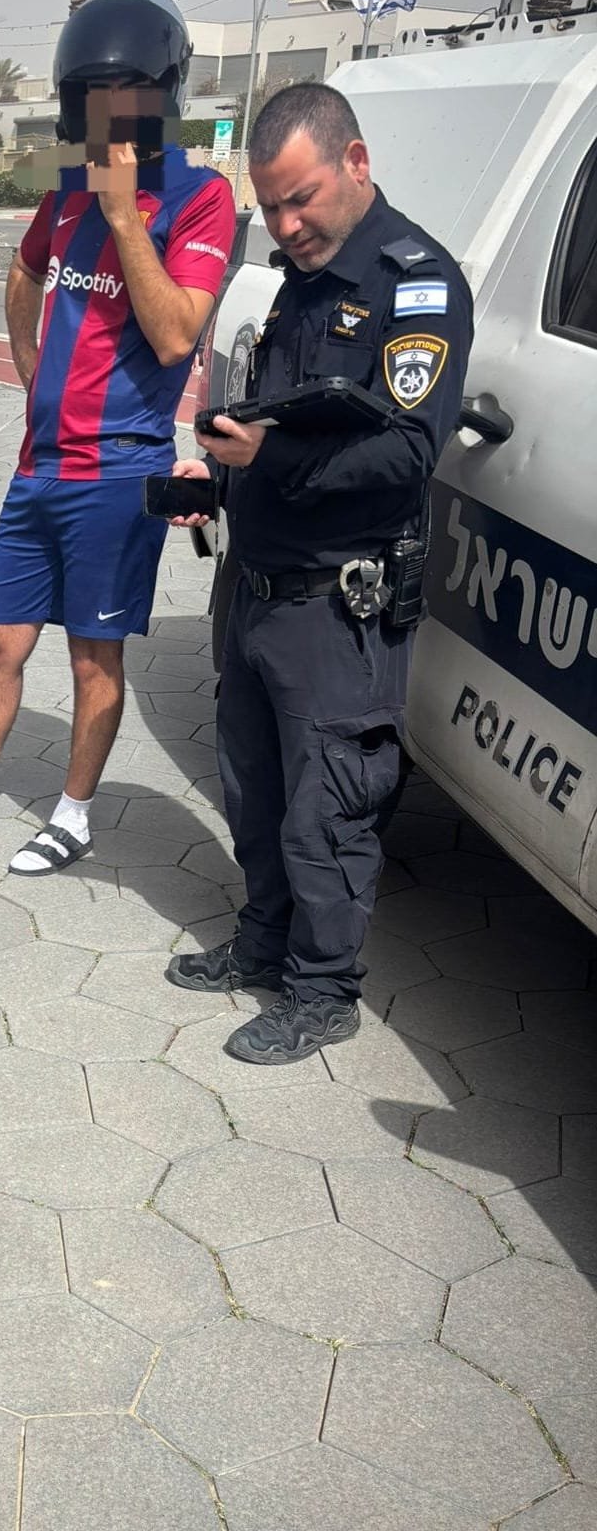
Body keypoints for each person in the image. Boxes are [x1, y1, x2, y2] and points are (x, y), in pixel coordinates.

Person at [0, 0, 235, 874]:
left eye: (124, 96)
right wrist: (31, 369)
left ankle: (73, 816)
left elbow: (175, 334)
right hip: (39, 464)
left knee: (92, 657)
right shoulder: (69, 186)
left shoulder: (200, 197)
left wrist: (122, 215)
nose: (108, 115)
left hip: (118, 472)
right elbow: (24, 272)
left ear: (162, 95)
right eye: (92, 99)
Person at [166, 82, 472, 1064]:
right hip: (258, 586)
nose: (285, 224)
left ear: (355, 162)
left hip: (340, 605)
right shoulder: (297, 282)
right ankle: (260, 946)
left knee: (326, 808)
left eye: (299, 199)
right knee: (253, 792)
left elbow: (406, 450)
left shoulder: (413, 283)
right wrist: (217, 473)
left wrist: (270, 459)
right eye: (269, 206)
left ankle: (322, 991)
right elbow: (276, 423)